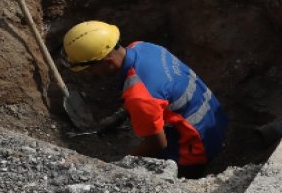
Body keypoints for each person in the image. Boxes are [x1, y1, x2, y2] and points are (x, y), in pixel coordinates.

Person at [61, 21, 227, 178]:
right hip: (214, 120)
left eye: (90, 69)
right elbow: (157, 92)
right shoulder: (143, 47)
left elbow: (157, 144)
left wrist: (118, 166)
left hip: (195, 149)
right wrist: (119, 115)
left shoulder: (139, 96)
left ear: (109, 62)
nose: (91, 74)